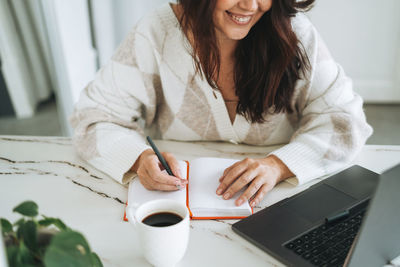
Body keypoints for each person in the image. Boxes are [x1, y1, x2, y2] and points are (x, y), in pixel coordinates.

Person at [70, 0, 372, 208]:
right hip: (175, 210)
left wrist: (278, 166)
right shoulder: (155, 33)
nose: (250, 5)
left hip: (277, 206)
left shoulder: (295, 33)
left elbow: (346, 122)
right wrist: (138, 159)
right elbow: (93, 118)